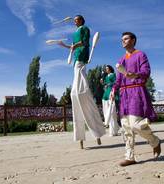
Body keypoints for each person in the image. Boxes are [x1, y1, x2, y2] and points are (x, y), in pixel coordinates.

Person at [110, 32, 161, 166]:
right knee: (126, 127)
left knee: (135, 124)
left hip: (136, 91)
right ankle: (129, 157)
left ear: (133, 40)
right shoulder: (121, 60)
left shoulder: (140, 54)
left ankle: (155, 141)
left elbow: (146, 71)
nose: (123, 41)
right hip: (124, 94)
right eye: (122, 39)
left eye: (126, 39)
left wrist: (135, 75)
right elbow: (119, 79)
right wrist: (114, 89)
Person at [58, 15, 105, 149]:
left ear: (82, 20)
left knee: (80, 93)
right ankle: (83, 136)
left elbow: (84, 43)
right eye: (74, 21)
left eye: (76, 20)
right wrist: (65, 46)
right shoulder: (75, 33)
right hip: (76, 60)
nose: (75, 22)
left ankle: (97, 133)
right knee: (75, 94)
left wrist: (71, 46)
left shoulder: (84, 29)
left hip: (81, 59)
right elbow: (74, 48)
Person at [100, 65, 120, 136]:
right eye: (105, 69)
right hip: (106, 93)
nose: (106, 70)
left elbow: (116, 82)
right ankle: (111, 128)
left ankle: (114, 131)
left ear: (110, 69)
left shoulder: (113, 75)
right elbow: (104, 84)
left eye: (107, 68)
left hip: (111, 92)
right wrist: (102, 82)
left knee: (112, 112)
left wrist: (109, 84)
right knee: (106, 111)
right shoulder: (105, 76)